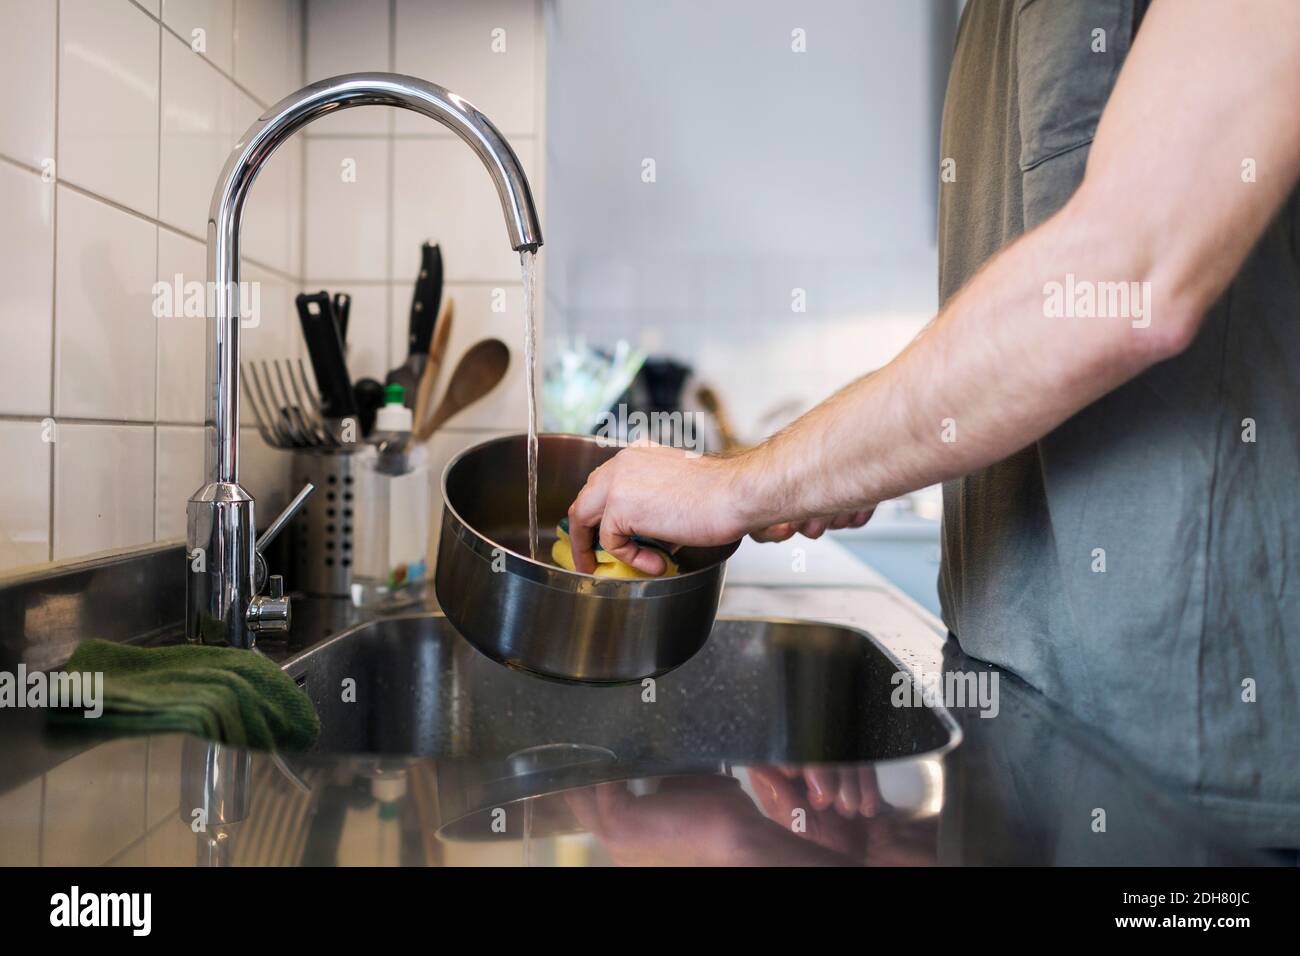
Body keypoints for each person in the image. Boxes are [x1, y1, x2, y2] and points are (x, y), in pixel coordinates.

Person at [566, 0, 1300, 834]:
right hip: (1026, 739)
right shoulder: (979, 22)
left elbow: (1134, 276)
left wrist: (739, 485)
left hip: (1205, 786)